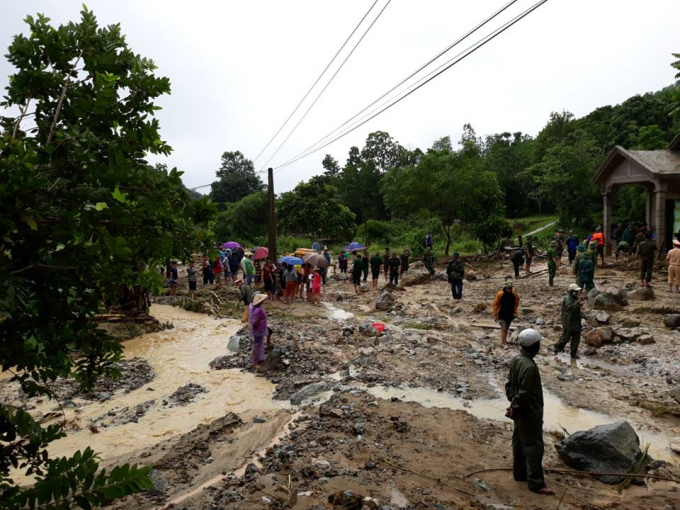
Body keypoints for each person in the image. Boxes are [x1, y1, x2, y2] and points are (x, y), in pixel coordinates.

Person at [505, 328, 554, 496]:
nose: (539, 346)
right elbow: (524, 393)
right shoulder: (530, 367)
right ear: (532, 346)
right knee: (534, 446)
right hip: (529, 411)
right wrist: (516, 406)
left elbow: (510, 386)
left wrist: (512, 405)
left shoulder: (516, 360)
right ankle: (536, 484)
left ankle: (520, 474)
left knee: (519, 442)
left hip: (518, 409)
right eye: (538, 344)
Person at [553, 284, 584, 359]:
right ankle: (557, 348)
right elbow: (571, 309)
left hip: (576, 322)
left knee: (576, 339)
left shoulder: (574, 299)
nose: (577, 293)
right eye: (576, 291)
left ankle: (573, 354)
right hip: (569, 322)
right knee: (565, 337)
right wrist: (577, 303)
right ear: (571, 291)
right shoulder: (568, 299)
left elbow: (576, 310)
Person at [493, 281, 520, 348]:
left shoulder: (515, 295)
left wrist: (515, 312)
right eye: (507, 288)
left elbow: (516, 304)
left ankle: (504, 340)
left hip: (510, 314)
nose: (509, 289)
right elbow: (495, 304)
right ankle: (504, 343)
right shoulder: (500, 294)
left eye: (510, 288)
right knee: (504, 328)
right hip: (501, 314)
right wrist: (495, 314)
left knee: (506, 328)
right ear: (504, 288)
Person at [249, 294, 268, 370]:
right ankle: (255, 363)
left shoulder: (256, 308)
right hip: (258, 330)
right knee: (257, 346)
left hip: (259, 329)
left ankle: (260, 358)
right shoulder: (258, 310)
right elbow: (254, 322)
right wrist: (254, 329)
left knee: (260, 344)